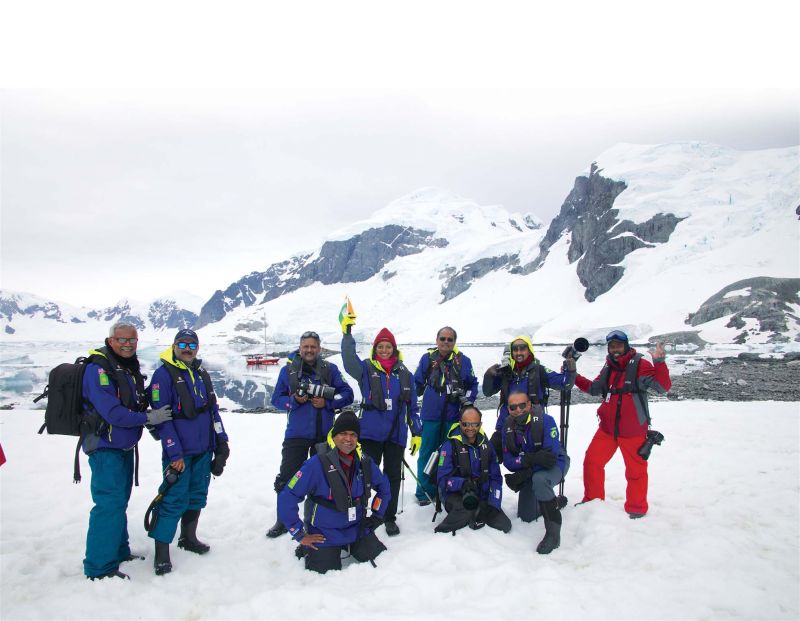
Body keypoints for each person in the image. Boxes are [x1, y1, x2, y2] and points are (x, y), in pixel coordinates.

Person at [82, 321, 173, 580]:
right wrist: (148, 418)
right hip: (104, 446)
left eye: (132, 340)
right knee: (108, 504)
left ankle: (118, 550)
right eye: (121, 339)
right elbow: (112, 412)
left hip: (122, 445)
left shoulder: (125, 367)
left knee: (118, 502)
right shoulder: (98, 369)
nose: (127, 344)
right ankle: (99, 567)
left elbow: (134, 401)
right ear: (111, 341)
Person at [147, 329, 230, 575]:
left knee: (197, 495)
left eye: (191, 344)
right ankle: (162, 553)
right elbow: (162, 419)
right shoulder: (162, 376)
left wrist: (222, 443)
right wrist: (174, 454)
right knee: (173, 499)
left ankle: (188, 538)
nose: (187, 348)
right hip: (180, 453)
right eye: (182, 343)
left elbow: (213, 411)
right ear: (173, 346)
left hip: (203, 450)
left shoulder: (202, 373)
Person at [277, 410, 391, 574]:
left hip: (356, 528)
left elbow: (384, 487)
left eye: (353, 434)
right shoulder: (315, 464)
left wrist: (377, 516)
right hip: (324, 533)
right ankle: (306, 550)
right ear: (334, 435)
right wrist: (299, 534)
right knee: (324, 574)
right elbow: (288, 496)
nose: (348, 439)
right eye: (343, 433)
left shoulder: (364, 461)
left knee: (381, 559)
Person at [267, 331, 354, 538]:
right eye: (305, 346)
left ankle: (315, 518)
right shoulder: (287, 371)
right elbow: (276, 399)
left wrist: (328, 403)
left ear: (319, 348)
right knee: (287, 479)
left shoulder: (330, 370)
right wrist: (293, 402)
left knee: (321, 480)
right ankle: (283, 520)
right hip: (296, 435)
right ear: (300, 347)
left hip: (323, 436)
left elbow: (348, 394)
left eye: (313, 347)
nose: (309, 350)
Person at [340, 315, 422, 537]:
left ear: (394, 349)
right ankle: (362, 513)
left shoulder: (406, 375)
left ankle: (389, 516)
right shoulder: (365, 369)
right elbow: (348, 360)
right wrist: (347, 335)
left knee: (393, 476)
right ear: (375, 348)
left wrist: (417, 433)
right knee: (366, 475)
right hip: (369, 434)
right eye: (381, 346)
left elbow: (413, 408)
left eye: (388, 347)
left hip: (395, 435)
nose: (384, 350)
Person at [575, 330, 670, 518]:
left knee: (636, 471)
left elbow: (662, 387)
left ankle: (636, 508)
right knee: (592, 462)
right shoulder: (609, 366)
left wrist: (659, 362)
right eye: (612, 346)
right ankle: (593, 500)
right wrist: (573, 376)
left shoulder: (640, 363)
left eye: (618, 345)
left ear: (626, 345)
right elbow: (595, 389)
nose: (615, 349)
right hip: (607, 429)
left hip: (633, 430)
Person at [413, 327, 478, 505]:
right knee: (427, 452)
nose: (446, 342)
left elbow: (473, 384)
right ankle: (424, 491)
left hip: (453, 415)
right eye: (443, 338)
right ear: (437, 340)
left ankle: (447, 488)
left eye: (450, 339)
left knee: (449, 454)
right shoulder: (427, 359)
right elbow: (415, 383)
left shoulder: (464, 361)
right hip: (430, 414)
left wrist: (468, 402)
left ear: (454, 342)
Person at [483, 335, 575, 457]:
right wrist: (488, 375)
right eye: (515, 349)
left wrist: (570, 370)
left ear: (529, 350)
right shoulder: (505, 372)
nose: (519, 352)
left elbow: (564, 383)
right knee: (488, 458)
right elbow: (487, 392)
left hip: (533, 428)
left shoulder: (539, 371)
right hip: (505, 426)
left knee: (532, 462)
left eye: (523, 349)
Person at [501, 391, 568, 554]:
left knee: (539, 480)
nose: (518, 410)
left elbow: (549, 458)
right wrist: (531, 460)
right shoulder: (507, 427)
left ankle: (553, 535)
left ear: (530, 405)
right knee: (527, 516)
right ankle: (554, 502)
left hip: (556, 465)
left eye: (522, 405)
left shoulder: (546, 421)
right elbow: (509, 462)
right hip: (531, 469)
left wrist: (525, 464)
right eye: (513, 407)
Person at [434, 406, 511, 534]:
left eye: (474, 424)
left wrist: (494, 502)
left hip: (482, 493)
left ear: (480, 424)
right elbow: (442, 481)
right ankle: (457, 521)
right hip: (455, 495)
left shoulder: (487, 446)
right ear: (460, 423)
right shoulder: (449, 446)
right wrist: (463, 483)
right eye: (465, 424)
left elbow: (496, 477)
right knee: (466, 508)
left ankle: (477, 511)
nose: (470, 428)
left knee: (504, 525)